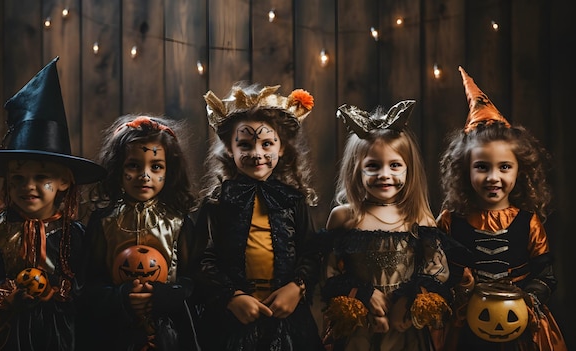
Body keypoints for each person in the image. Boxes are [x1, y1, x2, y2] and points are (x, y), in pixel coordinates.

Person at [0, 57, 107, 351]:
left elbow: (89, 287)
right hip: (3, 335)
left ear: (64, 182)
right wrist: (6, 295)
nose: (27, 186)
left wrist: (56, 292)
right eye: (17, 178)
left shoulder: (75, 234)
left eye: (41, 177)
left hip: (59, 335)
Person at [436, 66, 567, 351]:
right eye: (482, 167)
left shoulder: (529, 223)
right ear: (464, 170)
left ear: (520, 170)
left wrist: (526, 299)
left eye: (504, 167)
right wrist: (458, 288)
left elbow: (546, 275)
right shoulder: (449, 221)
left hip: (517, 321)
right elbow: (433, 271)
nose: (493, 177)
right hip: (463, 324)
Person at [192, 82, 324, 351]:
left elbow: (311, 252)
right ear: (230, 148)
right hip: (231, 318)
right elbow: (202, 258)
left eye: (267, 144)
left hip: (287, 318)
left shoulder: (293, 200)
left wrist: (296, 288)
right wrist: (231, 297)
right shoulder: (216, 203)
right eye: (245, 145)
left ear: (282, 147)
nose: (257, 154)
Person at [320, 100, 454, 351]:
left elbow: (437, 269)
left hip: (406, 326)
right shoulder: (344, 217)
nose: (384, 174)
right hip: (359, 326)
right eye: (372, 166)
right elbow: (329, 273)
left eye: (395, 165)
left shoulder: (419, 217)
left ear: (408, 170)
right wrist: (364, 296)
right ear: (355, 170)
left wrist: (408, 300)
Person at [75, 114, 201, 350]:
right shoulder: (104, 221)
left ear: (169, 170)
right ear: (117, 167)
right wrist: (122, 297)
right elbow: (88, 283)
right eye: (133, 165)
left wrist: (164, 296)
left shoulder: (178, 221)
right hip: (114, 331)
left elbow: (194, 279)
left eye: (156, 167)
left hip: (168, 331)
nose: (144, 175)